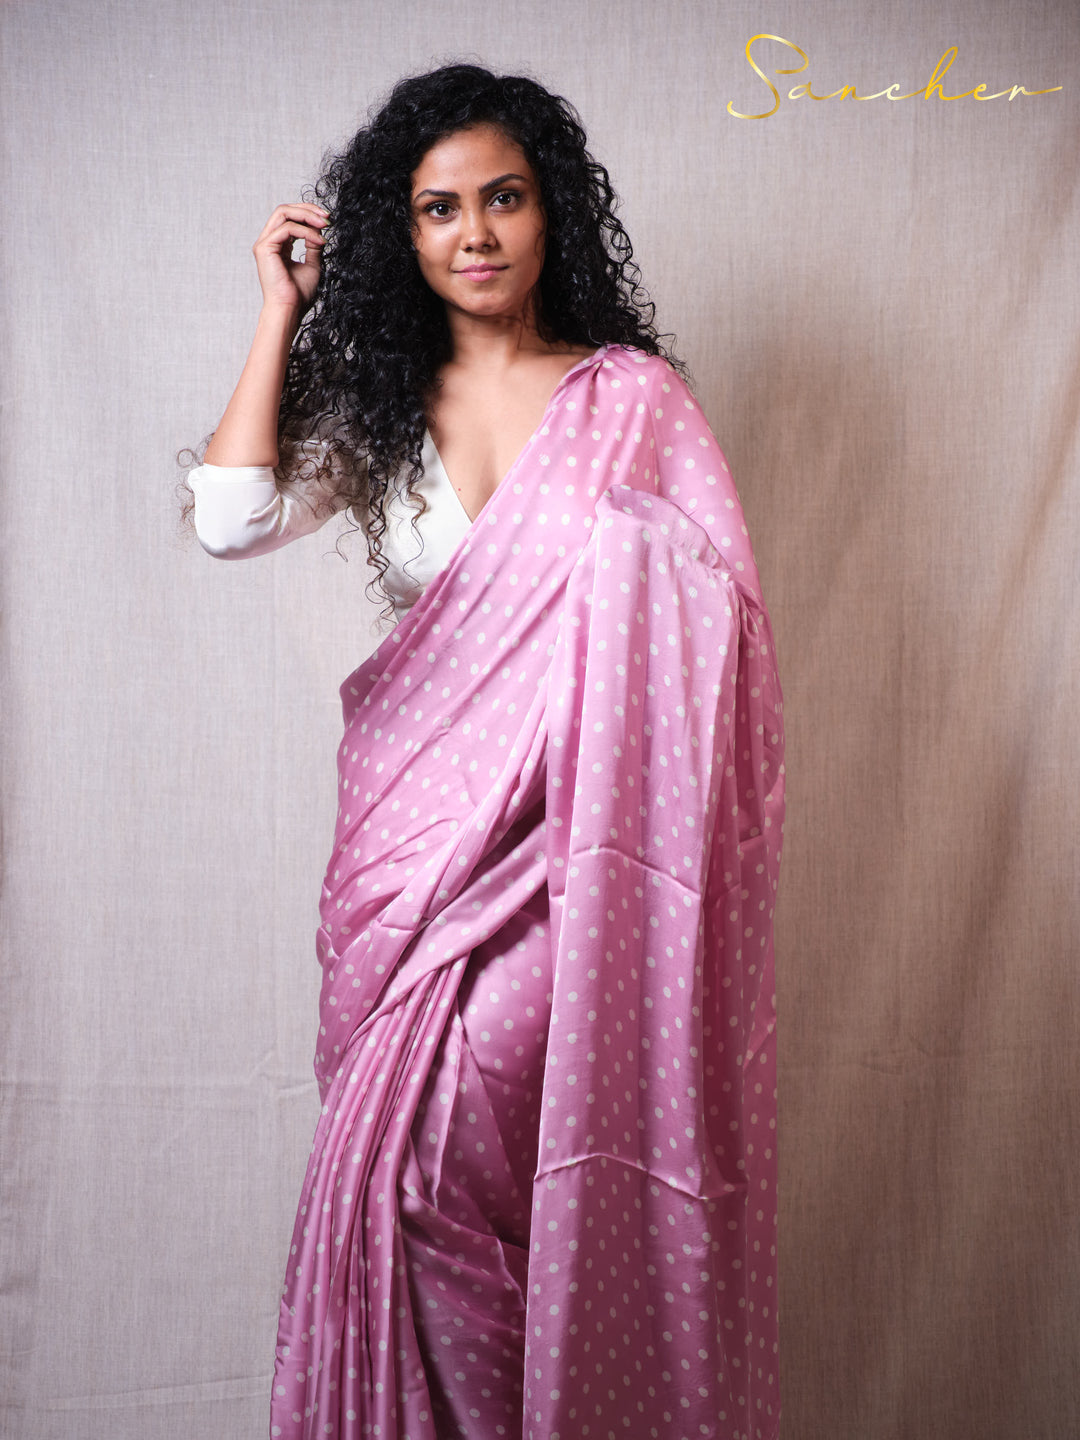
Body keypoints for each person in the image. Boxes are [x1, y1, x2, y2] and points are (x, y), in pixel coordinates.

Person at [188, 63, 784, 1440]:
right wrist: (283, 307)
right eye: (439, 208)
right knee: (409, 1193)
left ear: (549, 212)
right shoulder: (382, 419)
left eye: (503, 199)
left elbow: (720, 637)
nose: (476, 233)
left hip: (578, 870)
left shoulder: (628, 404)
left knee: (494, 1181)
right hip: (412, 873)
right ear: (400, 238)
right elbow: (229, 516)